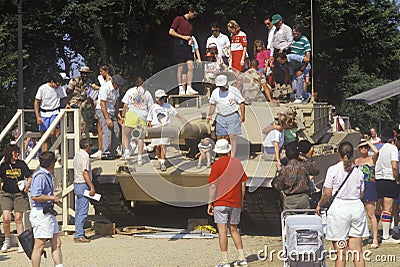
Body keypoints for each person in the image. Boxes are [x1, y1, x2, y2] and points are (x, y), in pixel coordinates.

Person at [316, 141, 368, 267]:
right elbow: (361, 194)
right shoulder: (359, 172)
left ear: (338, 153)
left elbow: (327, 194)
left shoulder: (333, 170)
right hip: (356, 207)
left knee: (340, 253)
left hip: (339, 209)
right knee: (357, 251)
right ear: (352, 153)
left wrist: (319, 204)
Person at [207, 139, 248, 267]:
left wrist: (210, 203)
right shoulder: (237, 163)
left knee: (222, 231)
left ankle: (225, 261)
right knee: (234, 229)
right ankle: (242, 258)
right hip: (235, 201)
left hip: (220, 201)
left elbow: (213, 186)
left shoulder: (216, 165)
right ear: (229, 150)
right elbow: (243, 183)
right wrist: (241, 200)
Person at [29, 151, 63, 267]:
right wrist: (51, 197)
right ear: (52, 163)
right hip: (40, 213)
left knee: (57, 242)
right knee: (40, 244)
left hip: (48, 212)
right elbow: (35, 196)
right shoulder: (40, 176)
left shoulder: (46, 174)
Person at [0, 143, 32, 253]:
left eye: (18, 152)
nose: (17, 154)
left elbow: (29, 176)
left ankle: (21, 242)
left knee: (18, 218)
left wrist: (27, 185)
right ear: (10, 153)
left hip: (19, 193)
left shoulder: (21, 164)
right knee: (6, 218)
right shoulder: (4, 165)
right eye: (15, 152)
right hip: (6, 193)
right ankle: (7, 240)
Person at [147, 89, 187, 171]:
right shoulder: (153, 107)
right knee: (157, 146)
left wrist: (183, 119)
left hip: (165, 127)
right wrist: (150, 127)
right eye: (161, 98)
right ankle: (159, 160)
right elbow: (150, 118)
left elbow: (175, 113)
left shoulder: (167, 106)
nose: (162, 100)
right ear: (157, 99)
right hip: (156, 127)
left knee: (163, 145)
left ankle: (163, 162)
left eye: (163, 98)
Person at [207, 74, 245, 158]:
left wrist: (242, 116)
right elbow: (213, 104)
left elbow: (241, 103)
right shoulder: (215, 92)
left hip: (232, 115)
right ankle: (222, 155)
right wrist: (210, 115)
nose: (221, 88)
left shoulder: (234, 91)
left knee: (232, 137)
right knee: (221, 137)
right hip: (220, 116)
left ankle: (232, 156)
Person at [273, 141, 319, 210]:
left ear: (287, 157)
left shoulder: (284, 170)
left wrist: (279, 172)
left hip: (289, 201)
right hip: (304, 200)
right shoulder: (305, 166)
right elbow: (316, 171)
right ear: (298, 155)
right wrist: (305, 159)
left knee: (289, 220)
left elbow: (277, 186)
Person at [374, 128, 400, 243]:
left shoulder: (379, 148)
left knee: (379, 207)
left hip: (379, 179)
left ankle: (373, 232)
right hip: (389, 178)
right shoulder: (393, 149)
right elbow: (394, 166)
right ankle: (385, 236)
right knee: (388, 208)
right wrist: (396, 178)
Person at [121, 76, 154, 163]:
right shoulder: (147, 93)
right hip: (143, 116)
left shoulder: (130, 91)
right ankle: (139, 157)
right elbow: (150, 107)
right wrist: (150, 119)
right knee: (140, 138)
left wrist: (123, 116)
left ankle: (127, 151)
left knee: (125, 134)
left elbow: (125, 105)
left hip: (132, 114)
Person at [354, 139, 380, 248]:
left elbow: (377, 152)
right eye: (361, 147)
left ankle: (374, 238)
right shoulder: (357, 161)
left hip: (369, 186)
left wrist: (368, 142)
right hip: (359, 187)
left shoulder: (371, 159)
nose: (363, 149)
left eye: (365, 147)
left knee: (371, 213)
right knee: (357, 215)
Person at [169, 4, 199, 95]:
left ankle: (189, 87)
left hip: (188, 46)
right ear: (190, 12)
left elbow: (189, 35)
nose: (194, 17)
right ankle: (180, 88)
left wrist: (190, 40)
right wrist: (183, 37)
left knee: (191, 66)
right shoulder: (178, 19)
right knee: (180, 67)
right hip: (179, 45)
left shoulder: (191, 24)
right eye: (194, 14)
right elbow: (171, 31)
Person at [34, 73, 69, 152]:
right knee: (44, 137)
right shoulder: (42, 88)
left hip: (55, 112)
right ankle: (44, 156)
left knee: (52, 133)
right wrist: (37, 116)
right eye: (56, 84)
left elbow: (64, 98)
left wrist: (67, 104)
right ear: (52, 81)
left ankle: (56, 151)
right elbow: (36, 102)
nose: (58, 86)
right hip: (44, 113)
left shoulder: (60, 88)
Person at [94, 74, 125, 159]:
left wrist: (117, 114)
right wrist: (107, 118)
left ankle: (113, 151)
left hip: (111, 110)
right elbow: (102, 104)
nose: (118, 87)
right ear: (113, 83)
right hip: (102, 110)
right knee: (107, 130)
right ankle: (105, 153)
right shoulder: (105, 88)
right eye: (117, 85)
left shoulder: (117, 89)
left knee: (116, 130)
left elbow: (116, 102)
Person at [73, 138, 95, 243]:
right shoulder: (85, 156)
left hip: (77, 184)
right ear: (87, 146)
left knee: (78, 211)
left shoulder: (77, 155)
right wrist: (91, 186)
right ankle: (79, 234)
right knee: (82, 211)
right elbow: (85, 173)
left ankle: (78, 231)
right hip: (83, 184)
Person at [91, 64, 115, 158]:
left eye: (102, 71)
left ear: (106, 72)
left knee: (105, 129)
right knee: (100, 128)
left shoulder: (111, 81)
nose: (100, 73)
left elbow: (106, 89)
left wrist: (98, 88)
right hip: (99, 106)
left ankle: (105, 150)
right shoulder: (101, 79)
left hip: (106, 107)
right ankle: (101, 148)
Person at [67, 66, 93, 138]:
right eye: (83, 73)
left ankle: (93, 123)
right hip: (74, 102)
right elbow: (68, 92)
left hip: (84, 102)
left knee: (95, 104)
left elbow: (91, 93)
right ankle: (82, 134)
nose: (85, 75)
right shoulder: (74, 81)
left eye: (86, 74)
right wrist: (67, 103)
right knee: (78, 120)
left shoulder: (89, 82)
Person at [271, 14, 293, 85]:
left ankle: (286, 84)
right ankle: (278, 84)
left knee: (285, 69)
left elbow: (290, 41)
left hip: (284, 51)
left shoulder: (287, 29)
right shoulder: (275, 30)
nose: (275, 25)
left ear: (281, 21)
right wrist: (271, 54)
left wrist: (283, 48)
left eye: (277, 23)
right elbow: (273, 42)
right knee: (277, 69)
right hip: (276, 51)